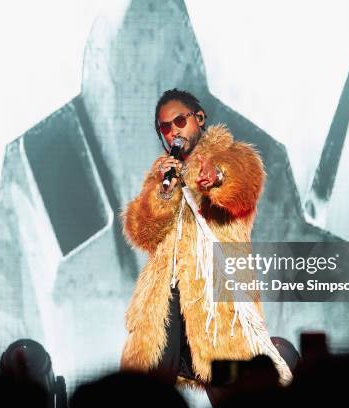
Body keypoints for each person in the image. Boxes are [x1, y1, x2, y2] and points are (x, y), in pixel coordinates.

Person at [119, 89, 292, 403]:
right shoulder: (162, 174)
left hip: (218, 298)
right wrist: (162, 192)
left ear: (198, 118)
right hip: (165, 298)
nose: (174, 132)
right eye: (165, 128)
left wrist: (217, 176)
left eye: (180, 121)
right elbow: (139, 230)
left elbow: (242, 184)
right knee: (143, 392)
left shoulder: (233, 154)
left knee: (232, 389)